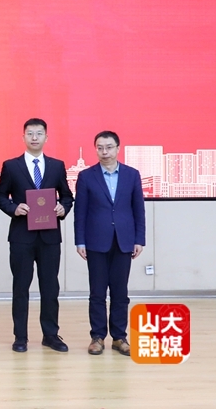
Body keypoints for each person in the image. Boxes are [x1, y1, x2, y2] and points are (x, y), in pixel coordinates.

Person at [0, 118, 74, 353]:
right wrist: (13, 208)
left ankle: (51, 335)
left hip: (50, 237)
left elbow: (67, 196)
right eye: (30, 133)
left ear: (46, 138)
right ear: (23, 137)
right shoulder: (11, 166)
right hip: (22, 236)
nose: (35, 137)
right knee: (20, 287)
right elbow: (0, 196)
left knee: (50, 288)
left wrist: (63, 208)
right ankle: (20, 337)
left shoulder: (57, 166)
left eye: (39, 133)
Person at [74, 130, 145, 356]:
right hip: (95, 241)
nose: (104, 152)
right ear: (96, 149)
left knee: (120, 292)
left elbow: (138, 209)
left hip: (124, 241)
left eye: (109, 147)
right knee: (97, 292)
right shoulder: (86, 176)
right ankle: (97, 337)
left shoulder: (132, 175)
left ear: (118, 148)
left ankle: (119, 337)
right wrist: (80, 241)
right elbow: (80, 212)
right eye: (100, 148)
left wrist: (139, 239)